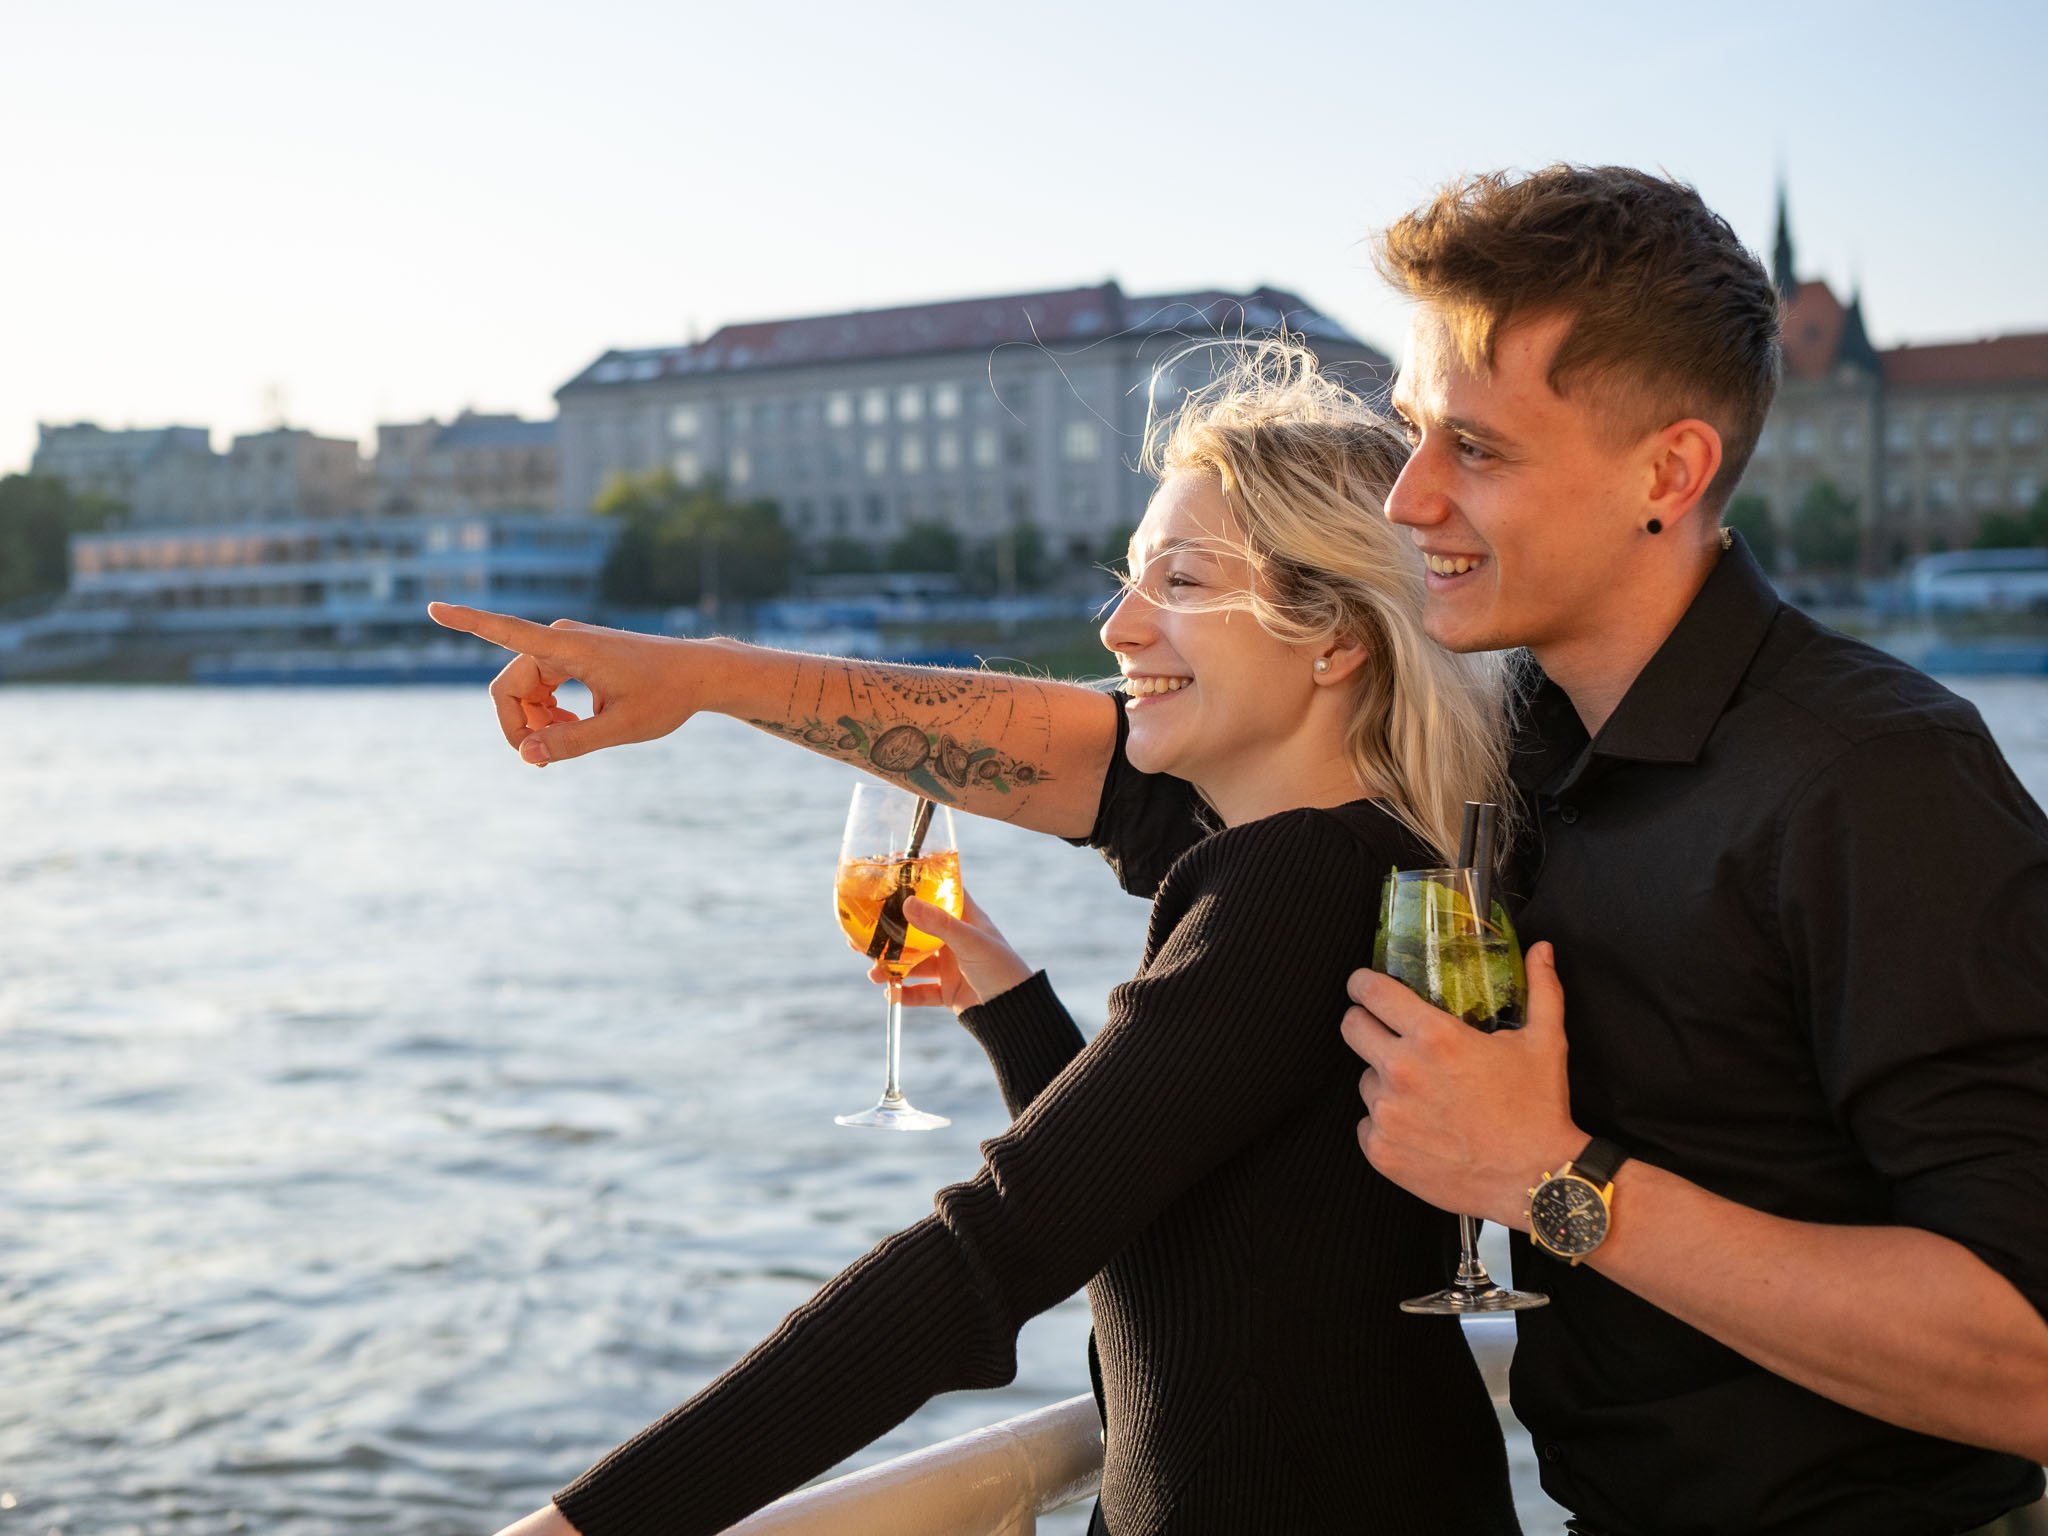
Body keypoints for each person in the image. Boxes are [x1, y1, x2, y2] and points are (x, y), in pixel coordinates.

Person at [436, 166, 2048, 1535]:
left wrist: (1551, 1188)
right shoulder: (1513, 756)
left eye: (1475, 449)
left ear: (1670, 471)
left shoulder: (1868, 781)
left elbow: (2031, 1359)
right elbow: (1082, 749)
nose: (1408, 498)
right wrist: (702, 680)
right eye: (1412, 433)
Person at [461, 351, 1524, 1536]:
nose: (1118, 627)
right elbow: (1179, 1212)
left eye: (1178, 580)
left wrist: (584, 1525)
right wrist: (1010, 1005)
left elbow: (990, 1254)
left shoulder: (1297, 877)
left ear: (1331, 635)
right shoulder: (1374, 861)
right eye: (1129, 579)